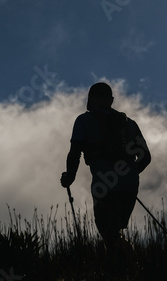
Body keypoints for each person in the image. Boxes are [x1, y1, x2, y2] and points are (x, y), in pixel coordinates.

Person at [60, 82, 151, 254]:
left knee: (108, 233)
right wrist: (127, 171)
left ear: (91, 100)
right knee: (114, 231)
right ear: (111, 100)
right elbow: (146, 157)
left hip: (105, 185)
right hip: (130, 186)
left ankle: (127, 266)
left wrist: (69, 176)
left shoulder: (84, 120)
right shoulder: (129, 124)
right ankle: (129, 266)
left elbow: (75, 152)